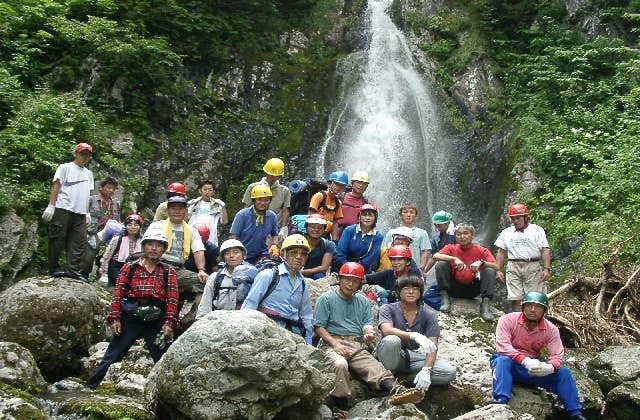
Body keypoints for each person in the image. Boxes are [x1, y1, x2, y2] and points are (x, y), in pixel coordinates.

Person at [314, 262, 425, 418]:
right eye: (347, 279)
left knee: (373, 366)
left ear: (360, 282)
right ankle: (341, 408)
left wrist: (368, 332)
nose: (351, 284)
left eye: (355, 280)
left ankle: (397, 391)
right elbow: (319, 327)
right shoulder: (326, 298)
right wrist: (336, 344)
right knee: (340, 364)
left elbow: (366, 323)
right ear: (340, 278)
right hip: (331, 343)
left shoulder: (363, 301)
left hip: (355, 344)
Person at [86, 228, 178, 389]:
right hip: (130, 317)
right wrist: (114, 318)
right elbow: (118, 294)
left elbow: (172, 299)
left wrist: (169, 323)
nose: (154, 248)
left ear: (164, 249)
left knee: (163, 358)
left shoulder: (168, 271)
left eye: (158, 245)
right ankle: (91, 387)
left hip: (156, 320)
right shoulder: (130, 268)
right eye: (150, 244)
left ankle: (170, 392)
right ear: (143, 247)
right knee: (113, 355)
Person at [490, 291, 586, 420]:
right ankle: (501, 400)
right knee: (502, 361)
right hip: (512, 364)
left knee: (563, 373)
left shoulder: (551, 329)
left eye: (538, 307)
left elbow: (557, 355)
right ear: (523, 307)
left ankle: (575, 413)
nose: (533, 310)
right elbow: (503, 346)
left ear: (544, 310)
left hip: (533, 368)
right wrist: (523, 360)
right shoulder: (507, 320)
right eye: (529, 305)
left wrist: (550, 367)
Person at [376, 274, 456, 391]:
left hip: (410, 356)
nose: (411, 292)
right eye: (406, 288)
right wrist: (413, 335)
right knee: (392, 340)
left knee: (449, 372)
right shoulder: (388, 308)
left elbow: (432, 346)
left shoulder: (428, 314)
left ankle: (406, 379)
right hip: (388, 354)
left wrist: (426, 370)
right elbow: (387, 330)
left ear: (420, 292)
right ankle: (387, 378)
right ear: (398, 291)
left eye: (415, 288)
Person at [241, 234, 313, 344]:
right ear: (284, 255)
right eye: (294, 252)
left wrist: (308, 342)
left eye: (303, 254)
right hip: (267, 333)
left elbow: (306, 315)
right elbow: (250, 303)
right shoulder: (268, 275)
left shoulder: (302, 282)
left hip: (293, 335)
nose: (299, 257)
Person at [148, 195, 208, 322]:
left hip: (177, 269)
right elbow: (145, 246)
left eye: (181, 208)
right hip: (157, 264)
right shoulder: (157, 226)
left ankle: (191, 319)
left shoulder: (191, 230)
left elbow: (198, 250)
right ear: (167, 210)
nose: (177, 211)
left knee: (207, 284)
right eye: (173, 208)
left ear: (186, 211)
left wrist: (201, 270)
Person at [42, 142, 95, 280]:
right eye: (82, 153)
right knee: (57, 239)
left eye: (87, 154)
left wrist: (87, 212)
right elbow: (56, 186)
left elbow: (88, 194)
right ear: (75, 153)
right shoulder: (65, 167)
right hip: (63, 208)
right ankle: (54, 268)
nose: (84, 157)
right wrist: (51, 205)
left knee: (78, 242)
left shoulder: (89, 174)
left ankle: (74, 271)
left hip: (80, 213)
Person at [432, 223, 499, 321]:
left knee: (489, 269)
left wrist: (481, 262)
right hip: (454, 287)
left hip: (473, 288)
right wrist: (453, 259)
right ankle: (445, 300)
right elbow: (435, 256)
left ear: (472, 235)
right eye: (458, 234)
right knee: (441, 264)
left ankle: (485, 305)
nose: (462, 237)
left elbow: (496, 266)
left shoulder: (481, 250)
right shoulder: (451, 248)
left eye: (465, 233)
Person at [494, 203, 552, 313]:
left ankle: (533, 323)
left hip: (532, 265)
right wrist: (498, 270)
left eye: (518, 218)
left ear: (525, 217)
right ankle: (517, 322)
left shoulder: (537, 230)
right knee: (515, 298)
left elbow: (545, 250)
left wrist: (546, 268)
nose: (516, 221)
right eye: (513, 219)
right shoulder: (506, 232)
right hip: (513, 266)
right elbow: (501, 252)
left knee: (534, 297)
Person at [196, 239, 258, 319]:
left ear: (244, 256)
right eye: (227, 253)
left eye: (236, 252)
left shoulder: (253, 276)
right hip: (218, 321)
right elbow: (205, 303)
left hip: (242, 321)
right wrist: (200, 321)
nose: (231, 256)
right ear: (223, 257)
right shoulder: (215, 278)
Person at [230, 185, 279, 264]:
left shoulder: (272, 216)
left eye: (266, 200)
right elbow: (233, 236)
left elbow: (275, 234)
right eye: (259, 200)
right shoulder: (242, 214)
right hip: (243, 254)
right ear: (254, 200)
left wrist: (274, 245)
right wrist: (234, 253)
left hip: (261, 254)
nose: (263, 203)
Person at [84, 177, 121, 275]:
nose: (111, 190)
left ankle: (102, 275)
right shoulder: (92, 200)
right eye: (109, 188)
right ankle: (84, 274)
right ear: (101, 188)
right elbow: (85, 214)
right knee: (89, 254)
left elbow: (118, 221)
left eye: (113, 188)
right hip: (94, 232)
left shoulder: (115, 204)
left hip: (110, 235)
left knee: (109, 254)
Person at [242, 158, 291, 234]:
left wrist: (283, 228)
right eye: (270, 174)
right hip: (254, 227)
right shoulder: (253, 187)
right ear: (266, 172)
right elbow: (246, 207)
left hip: (274, 229)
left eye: (275, 175)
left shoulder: (284, 191)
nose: (272, 177)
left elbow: (286, 210)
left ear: (279, 176)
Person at [335, 204, 383, 273]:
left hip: (363, 269)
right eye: (364, 215)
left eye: (370, 215)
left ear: (375, 218)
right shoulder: (349, 230)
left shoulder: (378, 236)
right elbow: (340, 252)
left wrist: (355, 269)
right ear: (359, 217)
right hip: (342, 265)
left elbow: (371, 257)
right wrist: (347, 267)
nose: (367, 218)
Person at [98, 214, 144, 287]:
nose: (132, 227)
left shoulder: (142, 242)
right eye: (130, 225)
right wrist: (104, 271)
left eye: (136, 225)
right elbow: (107, 256)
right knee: (121, 282)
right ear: (126, 226)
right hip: (117, 266)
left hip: (134, 267)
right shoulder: (117, 239)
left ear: (140, 227)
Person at [383, 205, 430, 273]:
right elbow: (385, 251)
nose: (408, 215)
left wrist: (421, 268)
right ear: (400, 215)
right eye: (405, 212)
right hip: (394, 268)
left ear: (415, 215)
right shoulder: (392, 232)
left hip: (414, 268)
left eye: (411, 212)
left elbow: (424, 252)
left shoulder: (422, 232)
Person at [308, 171, 348, 240]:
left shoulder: (338, 202)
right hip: (313, 233)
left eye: (342, 186)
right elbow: (311, 217)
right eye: (337, 184)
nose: (339, 188)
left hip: (326, 234)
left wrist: (334, 240)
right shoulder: (319, 196)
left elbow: (335, 224)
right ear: (330, 183)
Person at [188, 180, 228, 246]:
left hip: (211, 238)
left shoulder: (217, 205)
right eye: (205, 189)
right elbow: (185, 220)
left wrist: (223, 207)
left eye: (210, 190)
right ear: (200, 190)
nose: (207, 192)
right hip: (193, 235)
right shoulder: (194, 203)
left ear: (213, 192)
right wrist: (187, 207)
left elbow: (225, 222)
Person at [301, 213, 336, 279]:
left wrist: (303, 272)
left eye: (320, 228)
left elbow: (324, 267)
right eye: (313, 227)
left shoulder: (329, 245)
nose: (316, 230)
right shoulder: (298, 241)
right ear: (307, 228)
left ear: (324, 229)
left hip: (315, 274)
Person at [337, 171, 370, 240]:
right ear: (352, 183)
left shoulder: (367, 204)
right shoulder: (340, 198)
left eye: (364, 184)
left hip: (356, 237)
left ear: (366, 186)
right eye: (358, 182)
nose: (361, 185)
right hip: (338, 235)